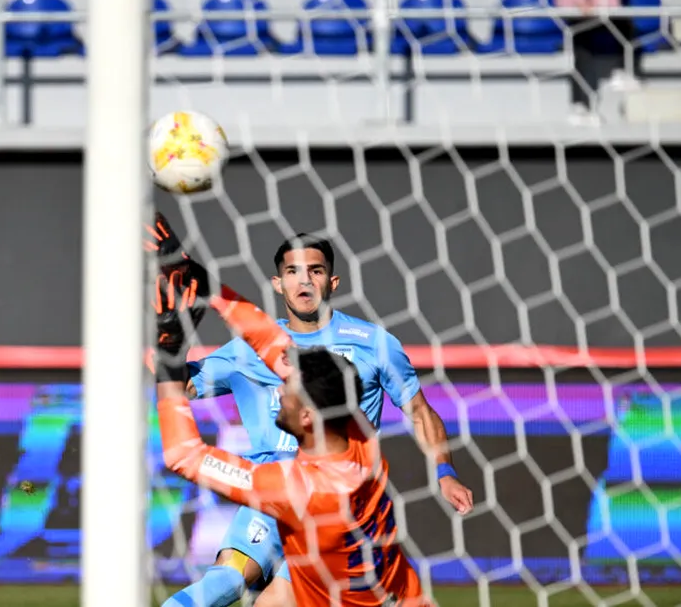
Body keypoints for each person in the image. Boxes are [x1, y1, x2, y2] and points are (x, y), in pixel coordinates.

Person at [147, 215, 473, 607]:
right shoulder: (355, 436)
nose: (304, 281)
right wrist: (202, 281)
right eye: (293, 272)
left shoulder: (373, 344)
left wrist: (167, 349)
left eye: (315, 271)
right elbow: (268, 343)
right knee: (224, 583)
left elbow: (185, 454)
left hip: (321, 516)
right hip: (293, 501)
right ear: (278, 282)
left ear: (332, 281)